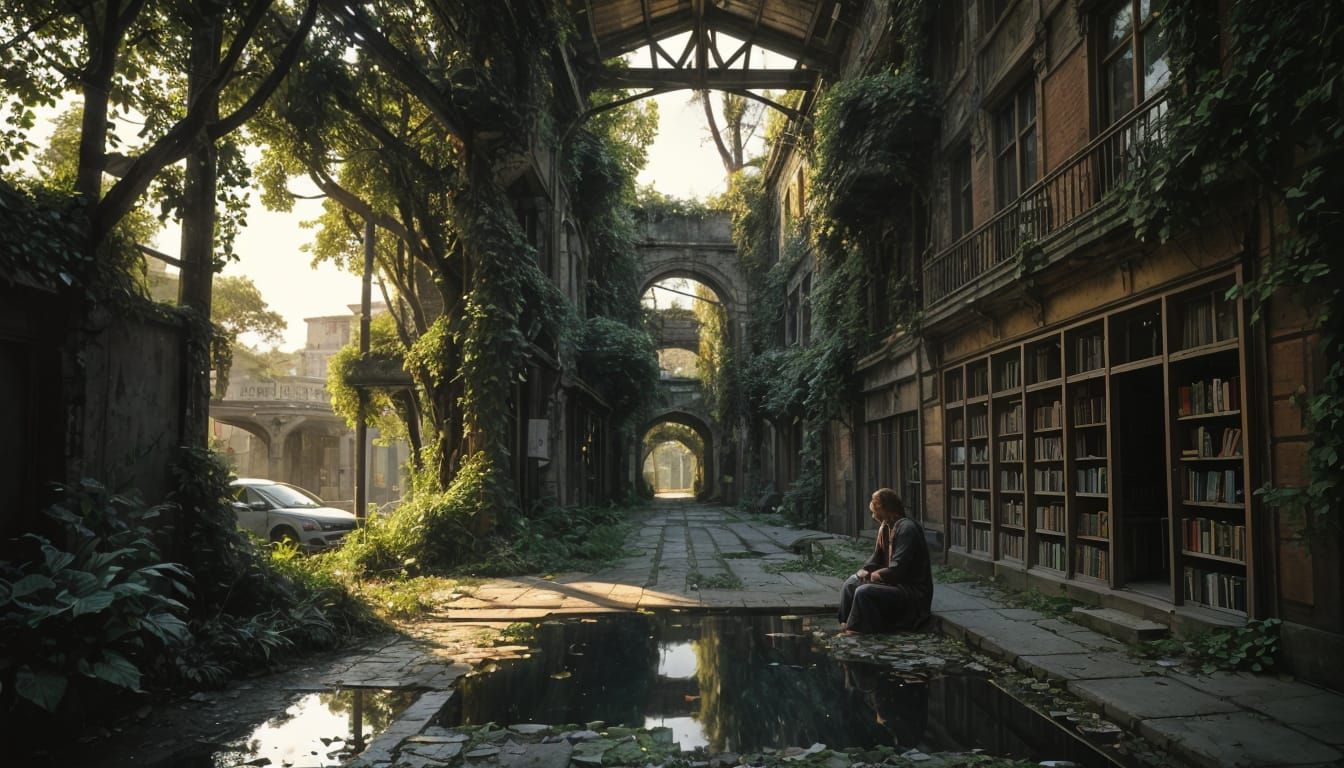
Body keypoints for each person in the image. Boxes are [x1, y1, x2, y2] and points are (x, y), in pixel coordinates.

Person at [837, 488, 933, 633]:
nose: (873, 515)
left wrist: (877, 575)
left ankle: (856, 630)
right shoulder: (885, 527)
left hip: (910, 591)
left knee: (864, 591)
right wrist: (865, 571)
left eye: (875, 510)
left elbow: (898, 568)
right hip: (892, 583)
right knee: (850, 584)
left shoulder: (907, 528)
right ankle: (845, 625)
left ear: (885, 508)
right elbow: (877, 557)